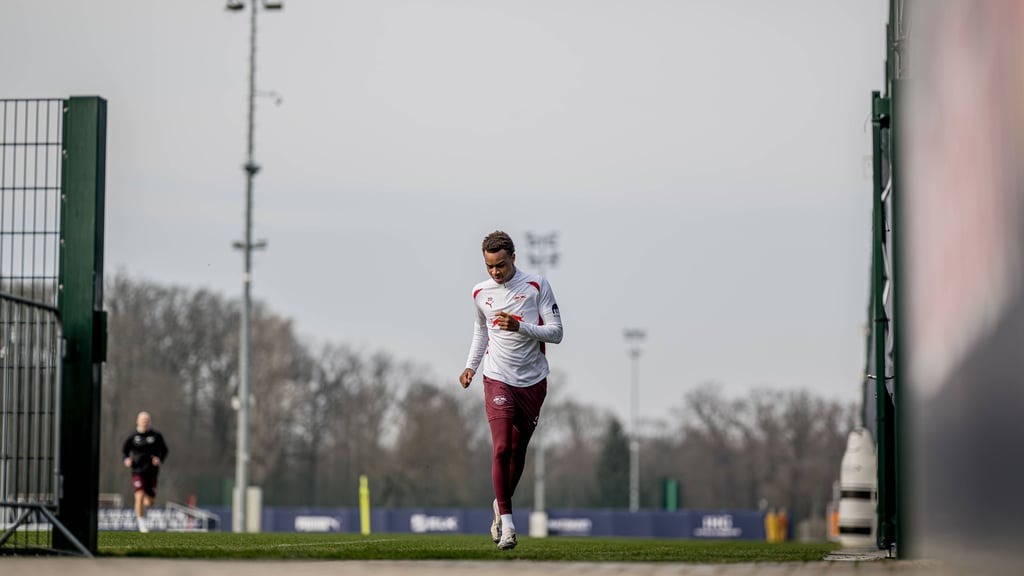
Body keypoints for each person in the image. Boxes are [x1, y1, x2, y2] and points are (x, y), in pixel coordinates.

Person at [459, 230, 563, 550]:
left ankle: (499, 504)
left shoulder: (537, 286)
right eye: (490, 266)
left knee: (518, 454)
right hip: (497, 377)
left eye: (501, 265)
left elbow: (556, 333)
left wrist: (521, 326)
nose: (496, 272)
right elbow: (481, 331)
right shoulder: (480, 292)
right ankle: (508, 524)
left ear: (513, 258)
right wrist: (470, 366)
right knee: (501, 448)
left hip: (532, 382)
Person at [121, 411, 169, 533]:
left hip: (152, 472)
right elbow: (125, 451)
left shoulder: (156, 436)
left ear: (150, 422)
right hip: (137, 471)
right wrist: (126, 460)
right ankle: (141, 524)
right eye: (142, 420)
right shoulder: (133, 437)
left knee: (149, 502)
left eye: (147, 420)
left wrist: (159, 458)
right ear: (137, 421)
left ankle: (144, 510)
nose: (145, 422)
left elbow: (164, 450)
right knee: (139, 495)